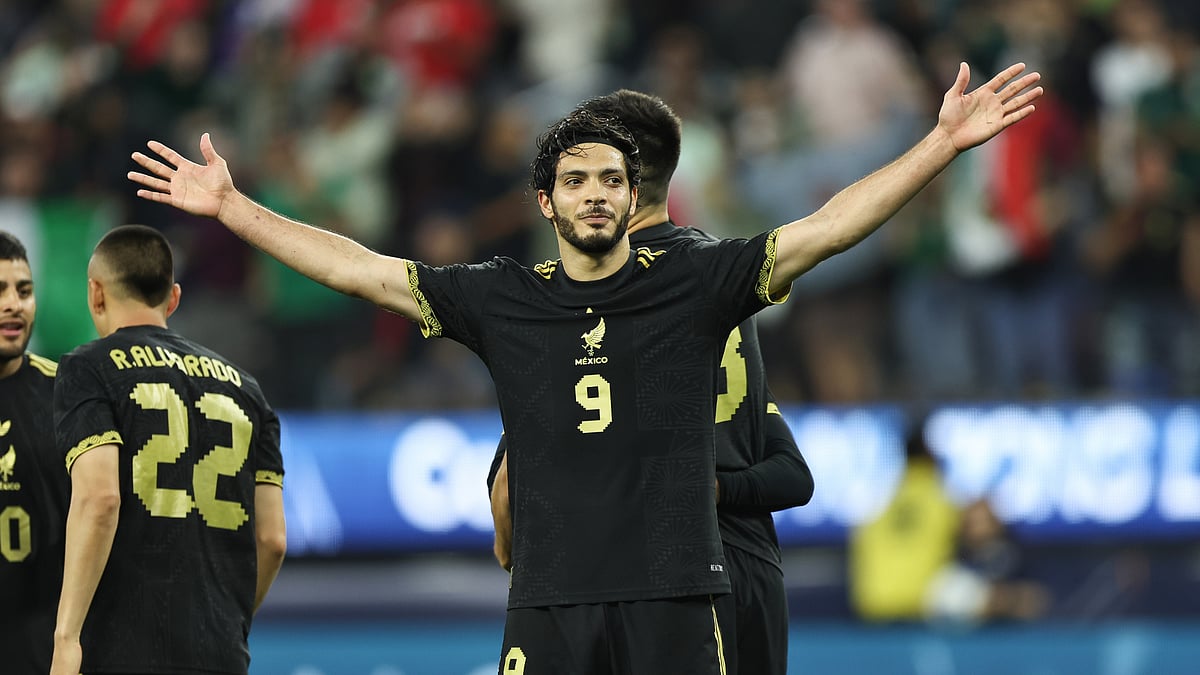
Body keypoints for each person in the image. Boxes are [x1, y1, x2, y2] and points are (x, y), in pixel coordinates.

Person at [129, 61, 1042, 674]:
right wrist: (235, 207)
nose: (596, 194)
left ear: (635, 196)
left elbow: (827, 228)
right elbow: (358, 269)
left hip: (679, 596)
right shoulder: (502, 297)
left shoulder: (691, 280)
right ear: (546, 201)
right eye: (576, 181)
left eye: (611, 180)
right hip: (550, 601)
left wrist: (941, 147)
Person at [486, 89, 815, 675]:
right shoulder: (722, 278)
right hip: (752, 566)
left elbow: (512, 485)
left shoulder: (603, 295)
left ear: (626, 177)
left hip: (658, 573)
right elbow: (791, 471)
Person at [50, 225, 287, 675]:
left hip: (123, 650)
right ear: (173, 298)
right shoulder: (247, 390)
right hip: (220, 653)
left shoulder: (88, 368)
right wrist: (229, 623)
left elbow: (99, 500)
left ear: (95, 294)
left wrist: (67, 637)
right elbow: (272, 540)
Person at [0, 230, 67, 675]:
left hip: (40, 651)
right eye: (0, 291)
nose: (14, 304)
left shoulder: (67, 394)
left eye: (24, 291)